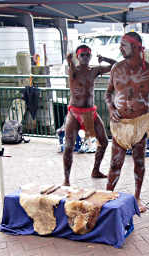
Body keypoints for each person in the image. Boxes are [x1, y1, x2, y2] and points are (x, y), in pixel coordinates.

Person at [105, 32, 149, 213]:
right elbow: (108, 95)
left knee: (139, 162)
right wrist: (111, 109)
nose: (120, 48)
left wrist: (146, 105)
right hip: (120, 124)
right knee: (115, 163)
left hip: (140, 123)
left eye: (124, 45)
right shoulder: (116, 68)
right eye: (120, 45)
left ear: (137, 47)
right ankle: (108, 196)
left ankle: (137, 197)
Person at [63, 45, 116, 186]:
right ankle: (66, 179)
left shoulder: (94, 70)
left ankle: (95, 170)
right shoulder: (73, 70)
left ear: (90, 56)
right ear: (78, 57)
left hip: (90, 112)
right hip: (75, 112)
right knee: (69, 146)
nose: (85, 57)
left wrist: (104, 58)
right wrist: (70, 61)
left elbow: (115, 65)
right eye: (82, 55)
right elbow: (71, 69)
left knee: (104, 142)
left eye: (87, 55)